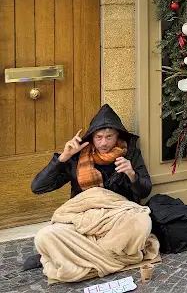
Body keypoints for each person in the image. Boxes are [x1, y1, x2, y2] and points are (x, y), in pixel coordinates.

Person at [24, 105, 152, 272]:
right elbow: (38, 187)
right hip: (83, 220)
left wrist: (132, 174)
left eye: (109, 137)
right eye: (98, 137)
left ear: (118, 135)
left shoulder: (130, 154)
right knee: (44, 236)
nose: (104, 143)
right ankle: (107, 256)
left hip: (116, 220)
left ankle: (77, 255)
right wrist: (63, 157)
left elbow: (145, 191)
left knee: (142, 221)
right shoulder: (76, 157)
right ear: (92, 137)